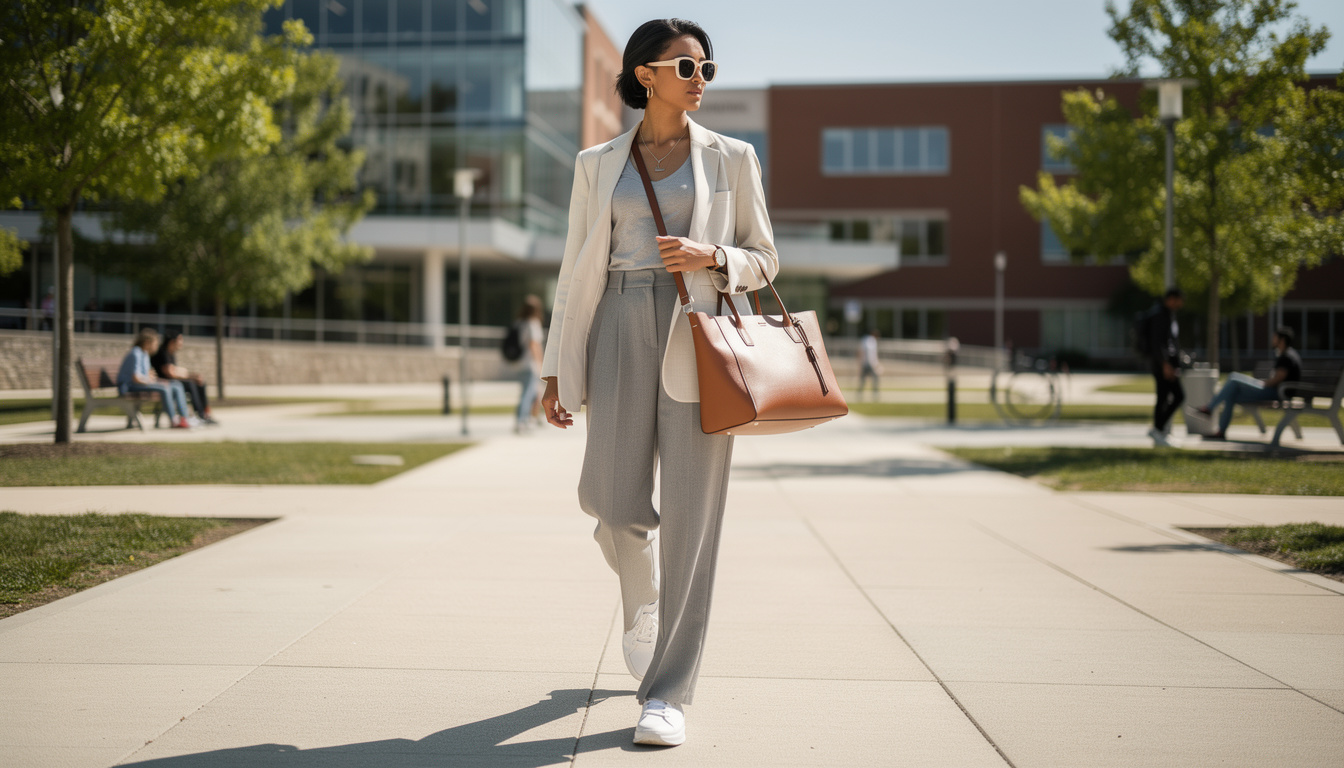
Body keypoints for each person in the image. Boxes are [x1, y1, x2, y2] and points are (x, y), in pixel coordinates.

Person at [538, 18, 777, 747]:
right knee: (608, 503)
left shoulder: (733, 158)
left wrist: (714, 255)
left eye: (707, 68)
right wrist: (555, 364)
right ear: (645, 73)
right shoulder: (596, 162)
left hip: (697, 334)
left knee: (692, 522)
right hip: (615, 319)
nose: (700, 79)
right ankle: (642, 605)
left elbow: (765, 259)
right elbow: (574, 269)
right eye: (686, 67)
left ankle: (668, 693)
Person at [1198, 326, 1302, 440]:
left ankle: (1209, 408)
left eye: (1275, 337)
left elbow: (1277, 379)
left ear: (1282, 340)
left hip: (1276, 393)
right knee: (1231, 395)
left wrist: (1262, 384)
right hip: (1275, 391)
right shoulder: (1286, 354)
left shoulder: (1287, 357)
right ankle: (1220, 431)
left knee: (1233, 378)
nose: (1273, 339)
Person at [116, 327, 191, 429]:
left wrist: (157, 380)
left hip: (138, 384)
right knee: (164, 388)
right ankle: (174, 420)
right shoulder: (136, 353)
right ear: (147, 342)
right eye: (155, 343)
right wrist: (155, 382)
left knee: (176, 384)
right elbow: (136, 378)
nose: (156, 346)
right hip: (128, 387)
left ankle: (184, 418)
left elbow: (146, 376)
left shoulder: (145, 354)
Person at [1146, 287, 1185, 447]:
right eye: (1179, 299)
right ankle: (1158, 429)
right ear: (1171, 299)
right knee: (1173, 396)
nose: (1181, 303)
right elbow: (1157, 343)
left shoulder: (1168, 315)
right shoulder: (1160, 315)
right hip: (1162, 365)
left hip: (1166, 364)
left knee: (1167, 397)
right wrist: (1165, 364)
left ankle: (1158, 430)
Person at [151, 331, 216, 425]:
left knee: (200, 383)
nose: (182, 342)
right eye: (180, 340)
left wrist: (192, 376)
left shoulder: (170, 354)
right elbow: (170, 373)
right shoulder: (162, 353)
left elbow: (175, 371)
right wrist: (190, 377)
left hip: (172, 382)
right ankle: (200, 414)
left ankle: (206, 413)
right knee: (190, 384)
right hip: (166, 383)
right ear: (172, 342)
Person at [514, 295, 544, 434]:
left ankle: (529, 419)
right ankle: (522, 422)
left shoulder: (519, 323)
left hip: (520, 364)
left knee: (527, 393)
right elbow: (534, 345)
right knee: (528, 394)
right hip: (531, 364)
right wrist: (541, 363)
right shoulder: (533, 323)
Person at [857, 328, 881, 400]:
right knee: (875, 378)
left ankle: (859, 394)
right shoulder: (872, 341)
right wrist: (875, 364)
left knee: (863, 380)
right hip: (869, 363)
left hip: (865, 363)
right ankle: (875, 394)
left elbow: (860, 351)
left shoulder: (864, 340)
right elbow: (871, 354)